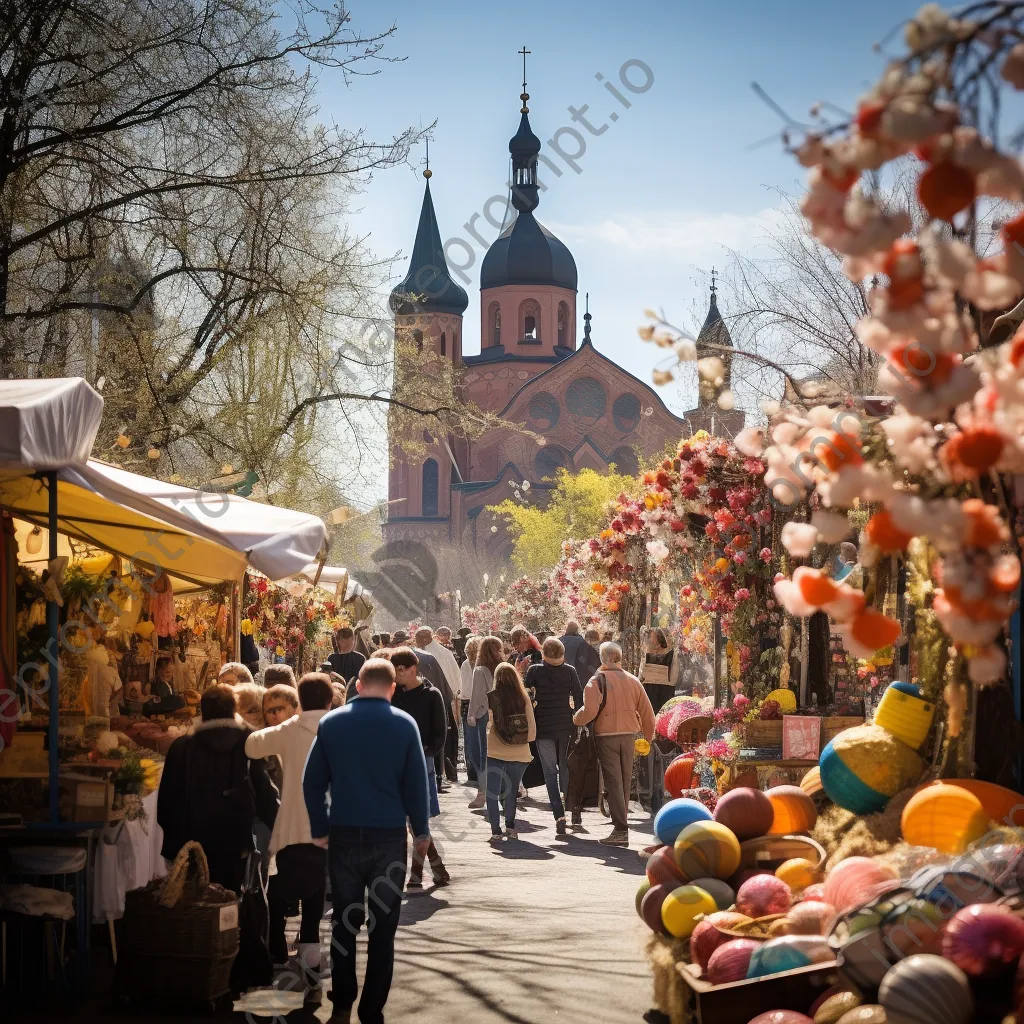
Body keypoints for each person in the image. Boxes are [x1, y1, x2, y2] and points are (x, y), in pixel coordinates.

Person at [303, 658, 431, 1024]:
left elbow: (312, 782)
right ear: (392, 688)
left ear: (358, 685)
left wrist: (319, 826)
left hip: (343, 833)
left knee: (344, 922)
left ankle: (341, 1003)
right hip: (388, 837)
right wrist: (420, 828)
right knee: (383, 927)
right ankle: (372, 1009)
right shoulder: (405, 725)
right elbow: (415, 784)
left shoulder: (332, 722)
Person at [246, 673, 333, 1005]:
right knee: (314, 909)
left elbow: (253, 745)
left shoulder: (289, 730)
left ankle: (275, 957)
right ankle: (312, 981)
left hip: (293, 827)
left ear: (300, 699)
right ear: (328, 700)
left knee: (280, 896)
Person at [157, 684, 279, 893]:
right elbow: (264, 793)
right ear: (233, 710)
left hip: (192, 842)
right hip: (235, 840)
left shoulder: (182, 748)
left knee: (195, 901)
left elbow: (166, 804)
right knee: (230, 898)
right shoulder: (249, 743)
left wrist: (173, 846)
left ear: (203, 712)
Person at [572, 642, 656, 847]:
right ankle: (621, 824)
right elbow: (647, 713)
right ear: (620, 658)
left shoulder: (596, 681)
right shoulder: (633, 681)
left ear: (602, 659)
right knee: (625, 781)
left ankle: (620, 829)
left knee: (613, 781)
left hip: (606, 734)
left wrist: (576, 718)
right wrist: (648, 737)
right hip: (629, 735)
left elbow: (589, 711)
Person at [387, 647, 451, 889]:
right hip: (394, 763)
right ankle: (437, 869)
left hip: (422, 763)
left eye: (400, 670)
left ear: (412, 668)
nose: (396, 675)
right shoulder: (394, 694)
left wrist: (424, 754)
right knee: (411, 822)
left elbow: (439, 735)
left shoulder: (431, 694)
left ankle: (415, 875)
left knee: (418, 821)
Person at [524, 637, 584, 836]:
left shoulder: (534, 671)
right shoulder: (570, 671)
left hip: (543, 728)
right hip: (565, 726)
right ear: (562, 653)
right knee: (566, 768)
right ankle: (573, 809)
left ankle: (559, 815)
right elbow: (579, 697)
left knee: (550, 773)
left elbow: (526, 696)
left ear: (544, 654)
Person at [484, 663, 536, 841]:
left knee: (492, 791)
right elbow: (532, 725)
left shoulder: (492, 697)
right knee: (511, 790)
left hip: (495, 748)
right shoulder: (523, 697)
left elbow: (489, 722)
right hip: (519, 749)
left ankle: (495, 830)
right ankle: (511, 826)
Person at [411, 629, 456, 791]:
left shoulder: (426, 657)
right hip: (441, 699)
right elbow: (451, 679)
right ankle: (440, 775)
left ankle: (440, 775)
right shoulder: (435, 656)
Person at [467, 636, 502, 809]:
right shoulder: (503, 668)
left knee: (483, 756)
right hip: (501, 715)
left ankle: (482, 793)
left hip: (484, 715)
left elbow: (476, 695)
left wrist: (471, 715)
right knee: (500, 753)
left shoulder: (480, 670)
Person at [260, 683, 299, 790]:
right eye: (269, 711)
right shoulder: (262, 744)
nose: (274, 714)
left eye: (279, 709)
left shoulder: (308, 739)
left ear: (295, 708)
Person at [459, 637, 481, 786]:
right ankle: (482, 771)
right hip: (480, 702)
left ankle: (472, 773)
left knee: (469, 738)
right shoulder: (483, 666)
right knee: (481, 739)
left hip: (466, 702)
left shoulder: (465, 664)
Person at [642, 628, 677, 715]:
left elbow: (674, 673)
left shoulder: (671, 653)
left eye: (653, 637)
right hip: (657, 688)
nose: (651, 639)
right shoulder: (646, 652)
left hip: (659, 688)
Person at [560, 620, 600, 688]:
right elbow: (588, 661)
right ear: (577, 631)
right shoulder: (582, 643)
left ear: (566, 630)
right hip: (579, 679)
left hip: (560, 678)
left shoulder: (558, 641)